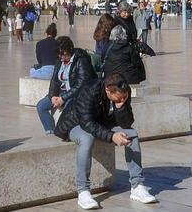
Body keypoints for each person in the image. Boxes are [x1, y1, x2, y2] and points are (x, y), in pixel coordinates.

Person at [55, 72, 157, 209]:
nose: (122, 98)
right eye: (119, 97)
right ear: (108, 90)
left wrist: (121, 107)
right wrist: (111, 136)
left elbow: (127, 123)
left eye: (125, 96)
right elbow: (87, 123)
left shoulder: (123, 92)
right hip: (75, 124)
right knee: (87, 138)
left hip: (102, 123)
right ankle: (83, 190)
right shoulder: (89, 90)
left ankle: (137, 186)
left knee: (132, 134)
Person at [37, 35, 97, 135]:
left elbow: (81, 84)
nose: (61, 57)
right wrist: (52, 96)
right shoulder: (60, 61)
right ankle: (50, 131)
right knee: (41, 106)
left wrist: (63, 98)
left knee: (66, 113)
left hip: (75, 94)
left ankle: (64, 133)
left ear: (69, 49)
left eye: (63, 54)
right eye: (59, 54)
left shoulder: (81, 60)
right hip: (63, 92)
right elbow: (55, 80)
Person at [104, 3, 145, 85]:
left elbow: (133, 31)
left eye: (128, 12)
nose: (127, 14)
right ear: (120, 11)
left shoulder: (130, 20)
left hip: (131, 47)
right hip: (120, 47)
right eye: (124, 12)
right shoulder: (115, 21)